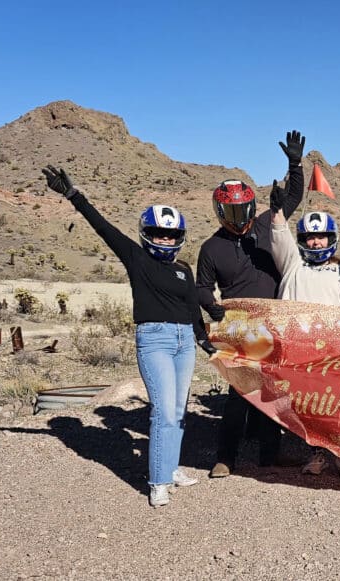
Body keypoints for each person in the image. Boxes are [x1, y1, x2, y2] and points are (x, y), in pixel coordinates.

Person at [41, 165, 214, 508]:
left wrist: (204, 338)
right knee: (163, 411)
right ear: (145, 233)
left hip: (184, 343)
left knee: (179, 410)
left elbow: (193, 308)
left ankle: (171, 467)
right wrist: (74, 195)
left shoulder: (183, 269)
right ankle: (158, 482)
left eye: (170, 234)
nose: (165, 238)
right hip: (155, 341)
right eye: (158, 232)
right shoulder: (137, 258)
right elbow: (104, 229)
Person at [196, 131, 306, 478]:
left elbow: (293, 196)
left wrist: (294, 163)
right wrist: (214, 311)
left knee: (272, 389)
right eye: (231, 210)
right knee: (238, 394)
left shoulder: (265, 225)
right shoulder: (211, 248)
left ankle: (268, 456)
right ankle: (225, 458)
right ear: (219, 210)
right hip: (238, 328)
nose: (238, 215)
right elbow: (201, 288)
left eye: (243, 208)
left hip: (274, 323)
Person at [271, 207, 340, 480]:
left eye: (322, 237)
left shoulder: (337, 269)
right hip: (299, 349)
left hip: (333, 351)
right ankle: (318, 455)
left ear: (331, 238)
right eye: (310, 237)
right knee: (309, 407)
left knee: (337, 406)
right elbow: (279, 235)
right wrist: (277, 213)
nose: (316, 242)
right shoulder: (292, 266)